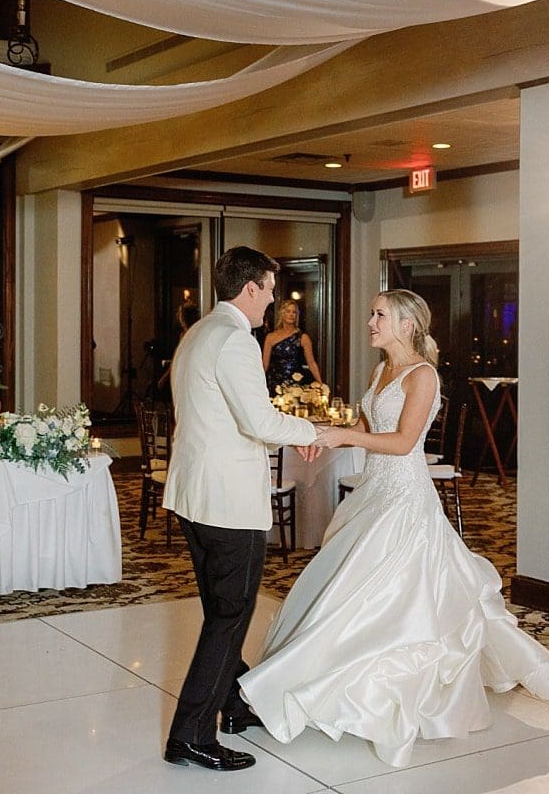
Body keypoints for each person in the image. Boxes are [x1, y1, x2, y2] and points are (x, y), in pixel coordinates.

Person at [239, 289, 549, 767]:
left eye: (379, 315)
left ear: (407, 324)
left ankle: (370, 694)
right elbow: (367, 430)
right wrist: (323, 438)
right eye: (371, 313)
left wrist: (342, 435)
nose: (370, 322)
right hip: (375, 492)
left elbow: (401, 442)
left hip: (405, 498)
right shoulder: (380, 371)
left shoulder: (423, 376)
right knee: (347, 590)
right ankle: (319, 684)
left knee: (387, 598)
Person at [161, 246, 322, 773]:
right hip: (227, 503)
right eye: (271, 290)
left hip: (194, 496)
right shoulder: (233, 340)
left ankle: (232, 704)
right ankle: (190, 735)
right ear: (250, 287)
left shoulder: (200, 333)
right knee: (230, 618)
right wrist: (315, 432)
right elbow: (261, 422)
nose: (274, 300)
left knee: (220, 612)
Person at [262, 298, 324, 392]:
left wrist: (320, 384)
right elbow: (264, 365)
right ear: (282, 313)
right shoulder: (271, 337)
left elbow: (311, 363)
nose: (291, 315)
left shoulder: (303, 337)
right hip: (274, 384)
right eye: (288, 311)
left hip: (295, 385)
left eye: (294, 312)